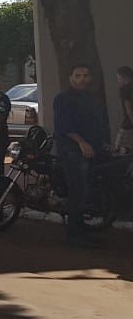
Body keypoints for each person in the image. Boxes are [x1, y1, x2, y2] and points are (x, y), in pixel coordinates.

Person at [54, 64, 108, 247]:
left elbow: (97, 124)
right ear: (70, 78)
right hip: (72, 152)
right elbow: (65, 126)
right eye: (78, 75)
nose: (82, 79)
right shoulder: (63, 99)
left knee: (86, 191)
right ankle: (74, 234)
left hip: (91, 151)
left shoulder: (91, 99)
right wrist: (81, 142)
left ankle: (81, 228)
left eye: (86, 75)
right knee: (77, 191)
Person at [115, 66, 133, 154]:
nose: (118, 81)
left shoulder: (124, 89)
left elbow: (128, 109)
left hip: (128, 125)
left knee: (118, 151)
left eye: (118, 78)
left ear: (123, 77)